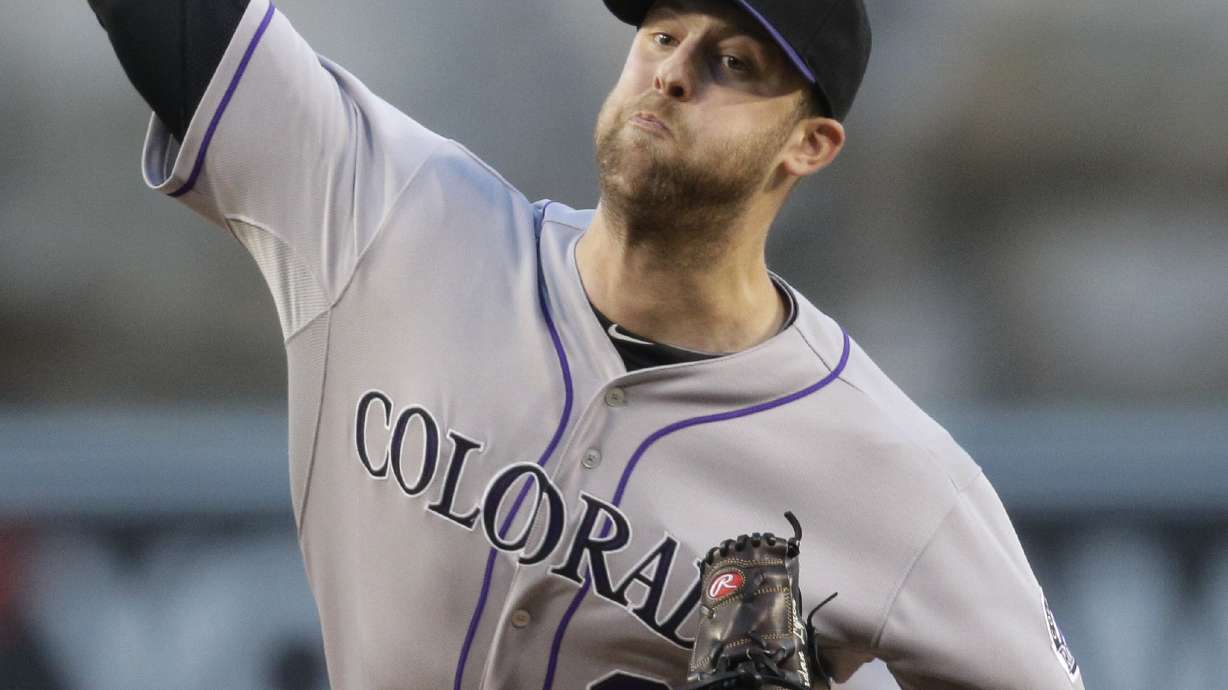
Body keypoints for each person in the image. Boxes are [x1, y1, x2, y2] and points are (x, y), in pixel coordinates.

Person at [87, 0, 1086, 688]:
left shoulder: (900, 481)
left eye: (730, 62)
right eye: (660, 32)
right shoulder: (398, 218)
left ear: (807, 144)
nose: (671, 74)